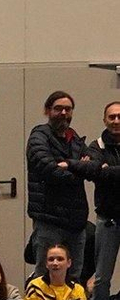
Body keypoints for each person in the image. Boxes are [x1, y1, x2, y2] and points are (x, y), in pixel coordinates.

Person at [26, 91, 98, 277]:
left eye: (68, 109)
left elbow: (94, 167)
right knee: (45, 276)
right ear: (47, 111)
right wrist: (80, 169)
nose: (64, 113)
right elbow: (51, 172)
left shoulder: (75, 139)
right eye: (58, 109)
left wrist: (71, 165)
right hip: (49, 219)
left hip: (76, 222)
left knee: (74, 276)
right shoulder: (38, 137)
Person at [85, 101, 120, 300]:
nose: (116, 121)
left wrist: (109, 171)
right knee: (102, 277)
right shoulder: (95, 146)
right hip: (108, 219)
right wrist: (102, 171)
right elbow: (95, 172)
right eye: (112, 117)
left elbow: (104, 173)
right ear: (104, 120)